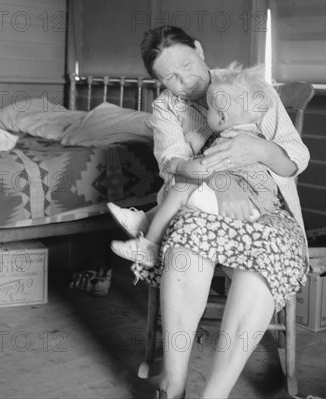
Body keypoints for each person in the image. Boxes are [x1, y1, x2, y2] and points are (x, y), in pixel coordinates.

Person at [108, 25, 309, 399]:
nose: (184, 81)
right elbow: (171, 163)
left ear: (199, 48)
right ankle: (174, 382)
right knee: (186, 248)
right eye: (170, 77)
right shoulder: (167, 107)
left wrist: (260, 150)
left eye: (186, 64)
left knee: (262, 264)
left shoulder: (246, 86)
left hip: (266, 209)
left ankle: (214, 394)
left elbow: (296, 158)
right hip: (202, 202)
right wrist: (221, 182)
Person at [109, 64, 284, 268]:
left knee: (180, 186)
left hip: (241, 207)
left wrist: (178, 164)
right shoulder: (251, 136)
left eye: (210, 108)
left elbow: (202, 169)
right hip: (248, 202)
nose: (206, 111)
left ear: (221, 117)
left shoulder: (232, 142)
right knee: (180, 188)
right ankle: (146, 221)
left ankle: (148, 246)